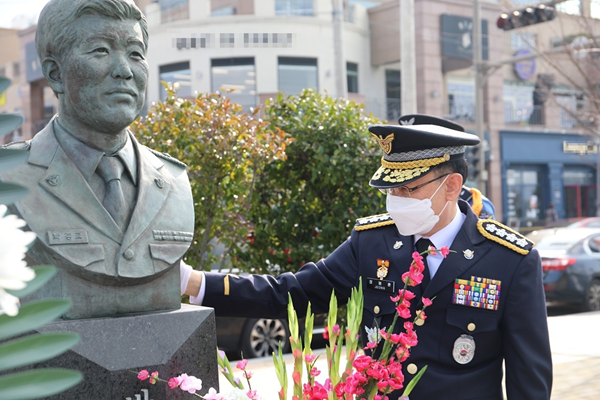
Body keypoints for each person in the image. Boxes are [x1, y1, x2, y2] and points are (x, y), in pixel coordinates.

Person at [182, 115, 552, 399]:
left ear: (451, 186)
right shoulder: (372, 242)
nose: (398, 202)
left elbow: (528, 380)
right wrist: (194, 283)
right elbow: (291, 292)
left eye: (408, 188)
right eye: (392, 190)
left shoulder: (510, 260)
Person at [0, 0, 194, 319]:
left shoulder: (174, 181)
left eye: (135, 53)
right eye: (100, 50)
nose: (124, 70)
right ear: (55, 74)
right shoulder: (10, 176)